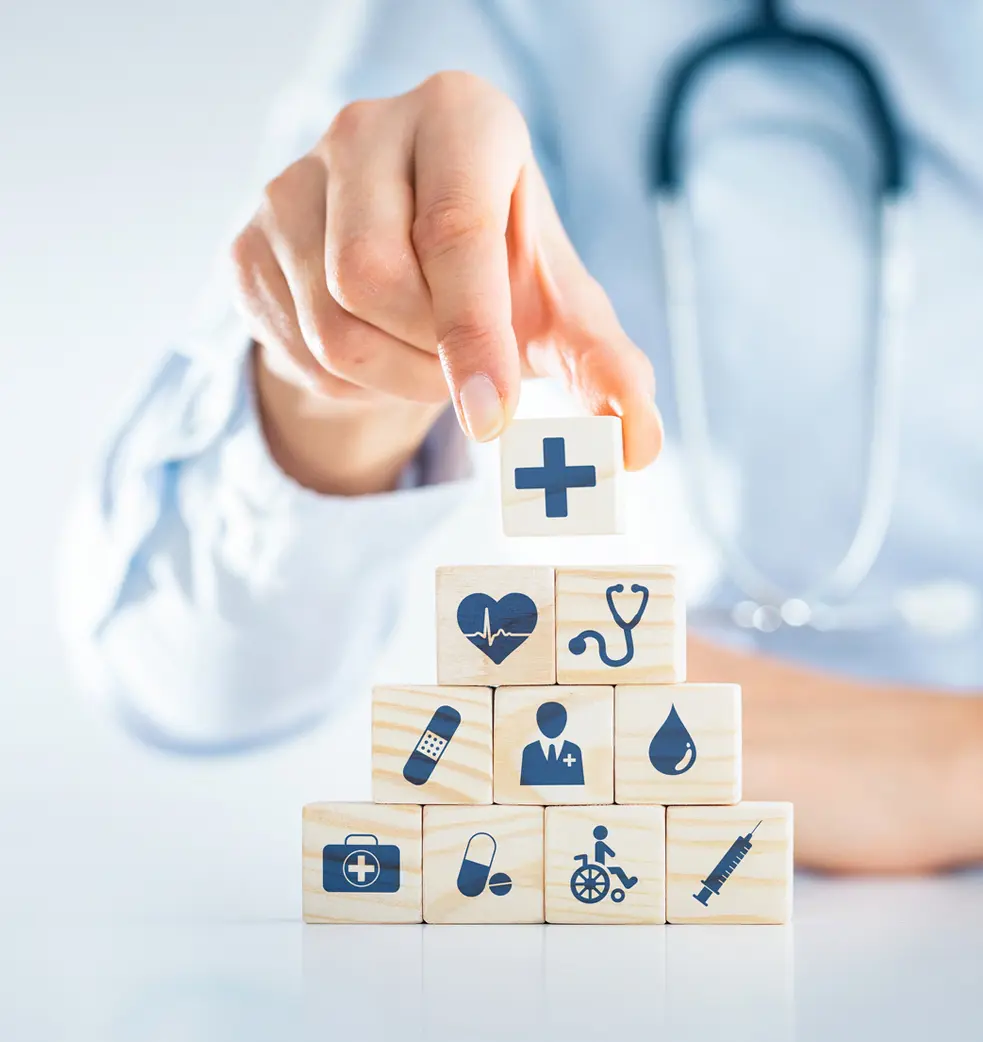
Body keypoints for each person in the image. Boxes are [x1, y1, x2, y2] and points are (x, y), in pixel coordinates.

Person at [59, 0, 983, 873]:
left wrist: (946, 768)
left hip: (735, 786)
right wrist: (347, 365)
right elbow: (181, 669)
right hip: (720, 885)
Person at [520, 701, 584, 786]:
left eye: (558, 721)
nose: (552, 726)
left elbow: (578, 785)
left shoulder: (573, 750)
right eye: (545, 721)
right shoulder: (529, 750)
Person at [592, 826, 638, 891]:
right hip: (603, 866)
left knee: (617, 869)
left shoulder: (597, 844)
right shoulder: (601, 844)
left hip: (601, 865)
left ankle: (626, 883)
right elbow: (612, 853)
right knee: (618, 870)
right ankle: (627, 883)